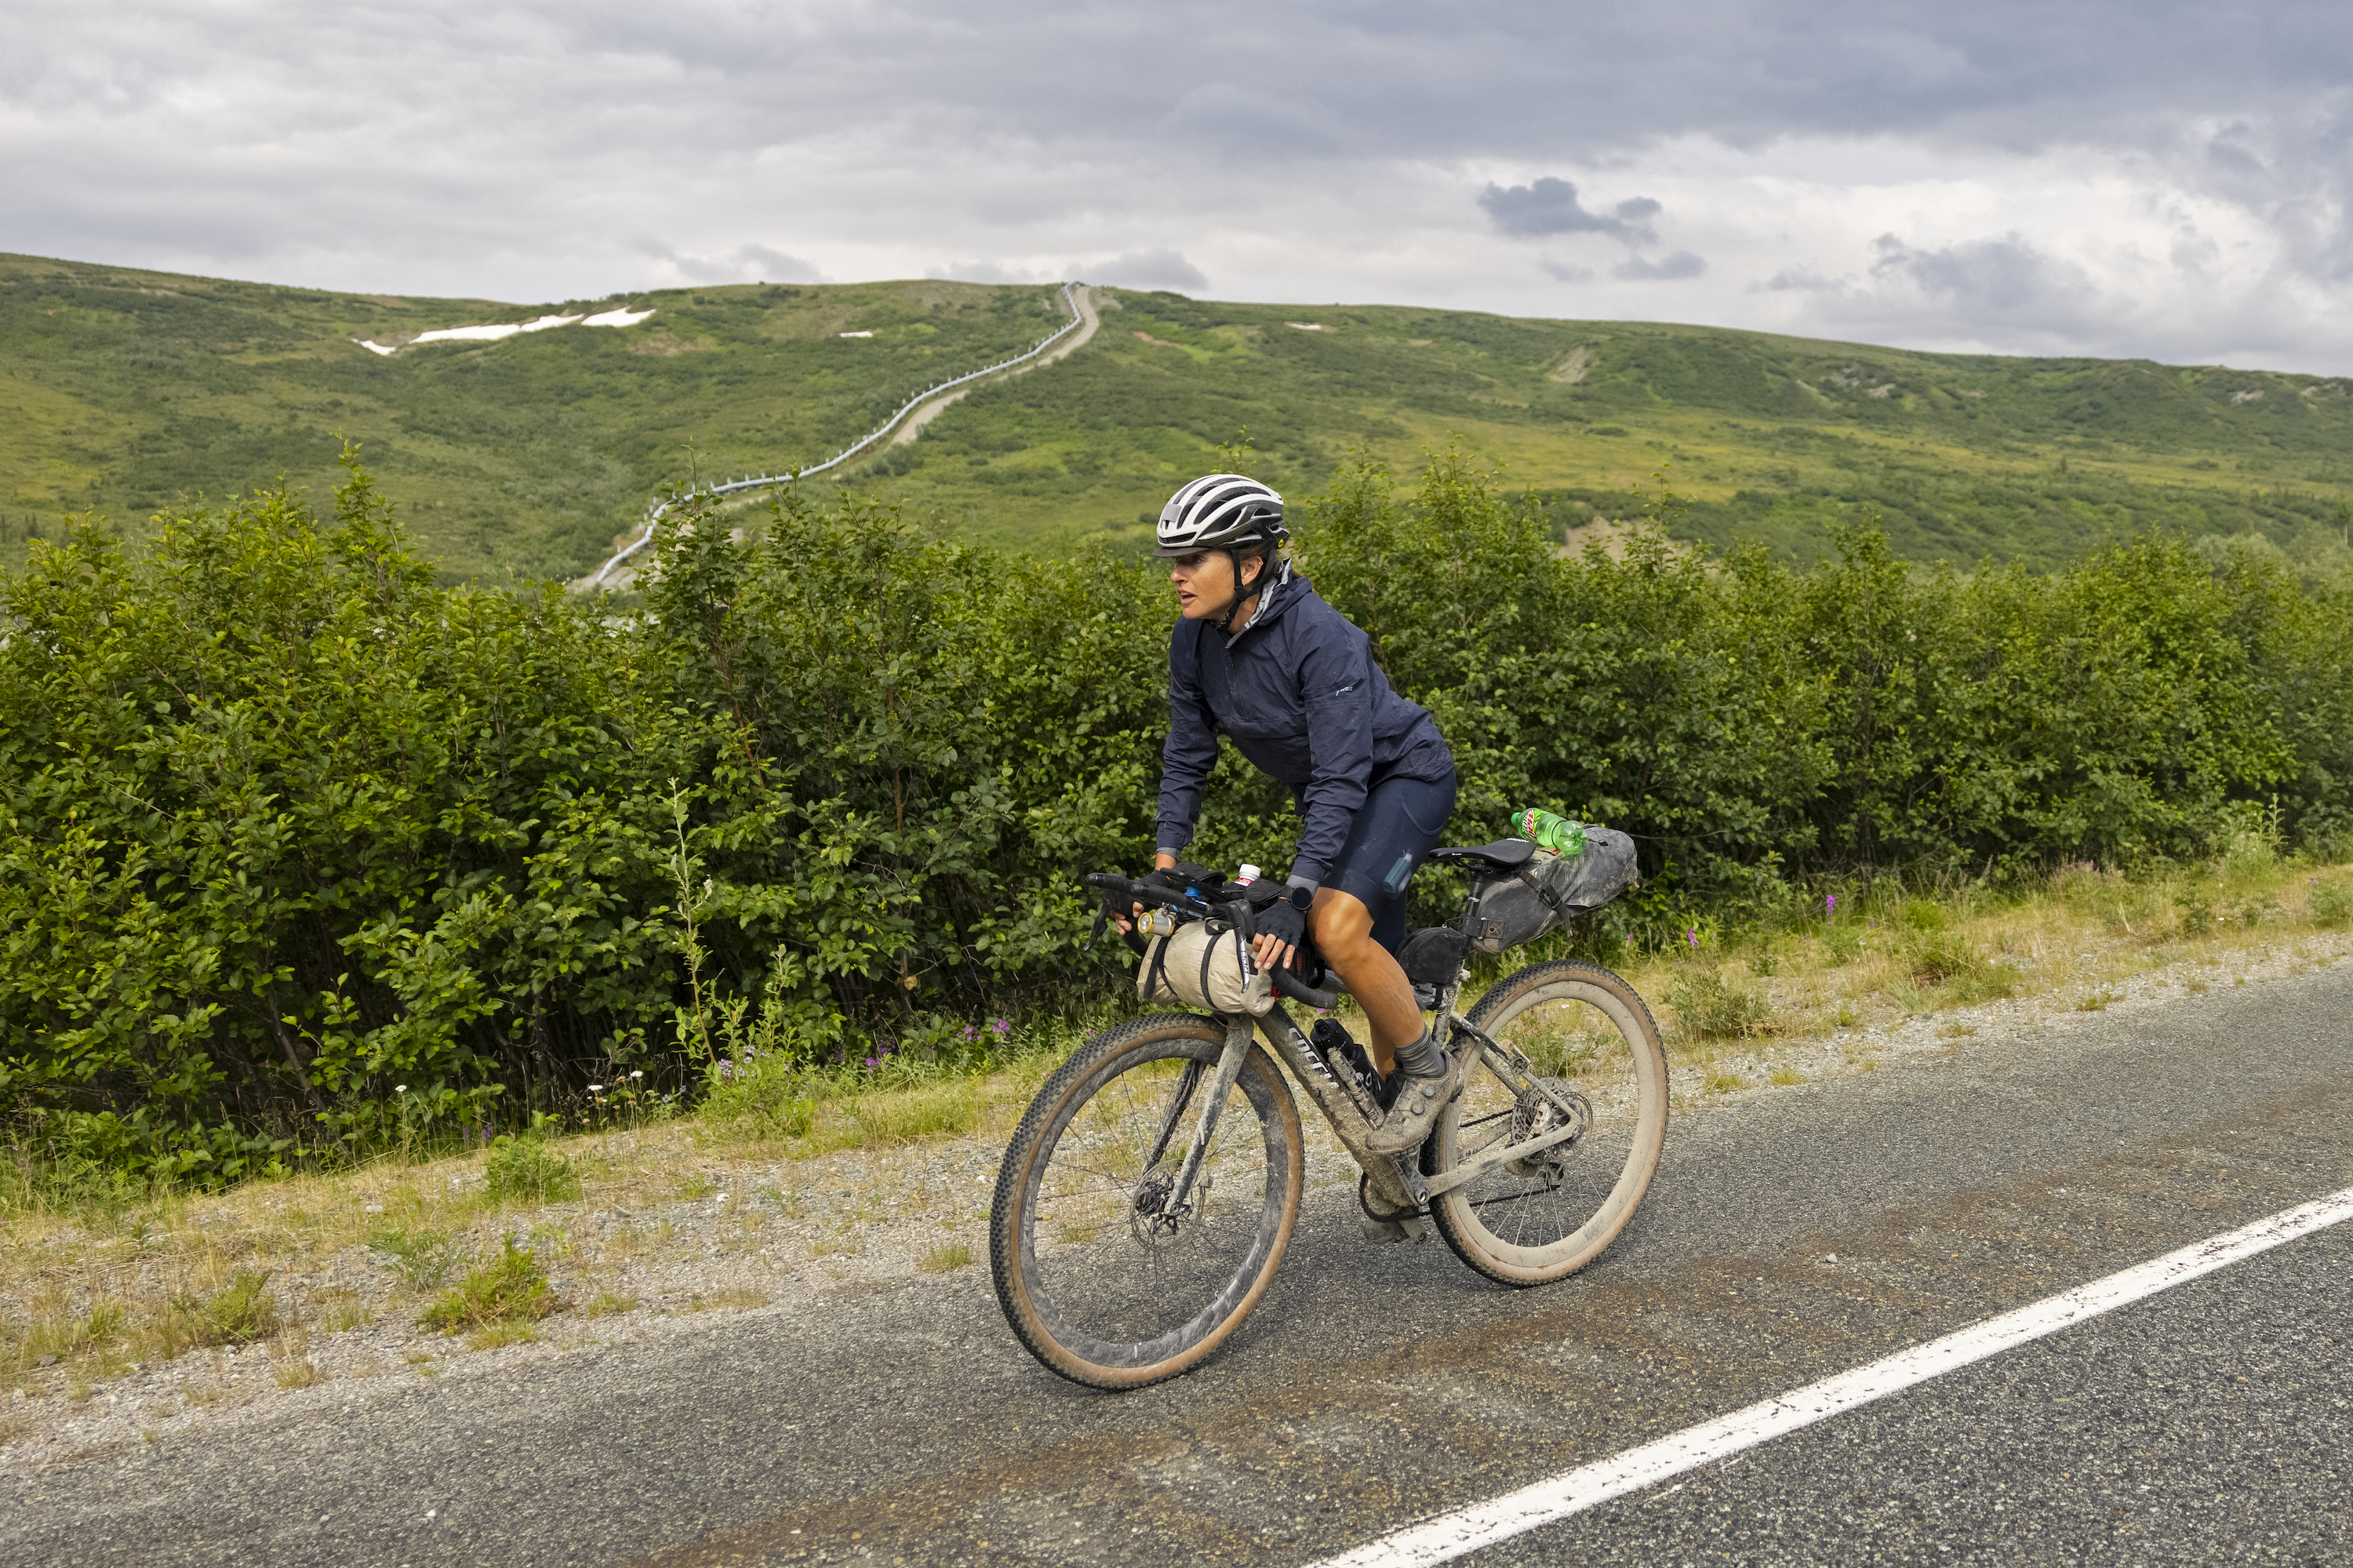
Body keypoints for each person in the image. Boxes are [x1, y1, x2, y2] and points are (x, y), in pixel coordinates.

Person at [1125, 472, 1461, 1155]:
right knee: (1357, 963)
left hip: (1402, 779)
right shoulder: (1194, 640)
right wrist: (1162, 869)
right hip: (1335, 797)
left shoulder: (1320, 637)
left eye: (1194, 560)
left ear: (1249, 565)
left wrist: (1300, 893)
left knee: (1331, 927)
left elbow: (1344, 775)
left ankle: (1432, 1072)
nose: (1178, 576)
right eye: (1174, 562)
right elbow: (1187, 756)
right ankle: (1407, 1169)